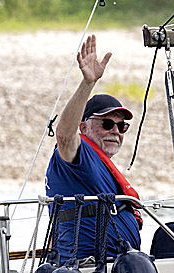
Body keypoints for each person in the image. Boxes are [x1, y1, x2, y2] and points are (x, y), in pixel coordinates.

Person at [44, 35, 142, 261]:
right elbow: (64, 135)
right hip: (84, 267)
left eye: (121, 126)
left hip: (118, 263)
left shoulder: (102, 165)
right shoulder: (76, 155)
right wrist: (88, 83)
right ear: (84, 127)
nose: (115, 131)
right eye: (106, 124)